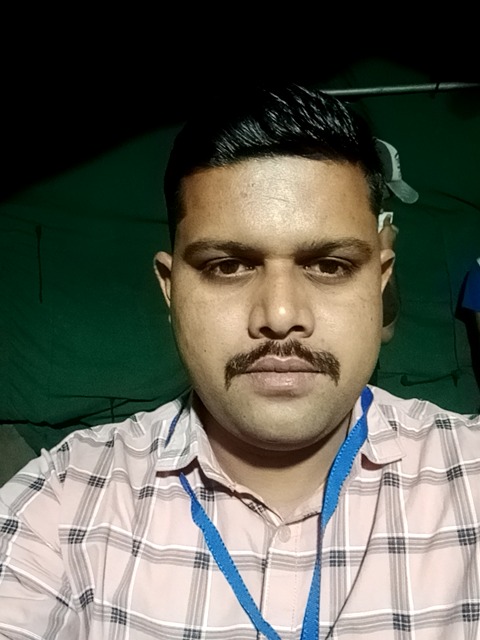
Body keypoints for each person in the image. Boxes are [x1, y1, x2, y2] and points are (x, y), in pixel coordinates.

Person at [0, 84, 479, 640]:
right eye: (228, 266)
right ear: (171, 288)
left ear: (380, 281)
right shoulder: (64, 500)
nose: (280, 315)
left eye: (328, 265)